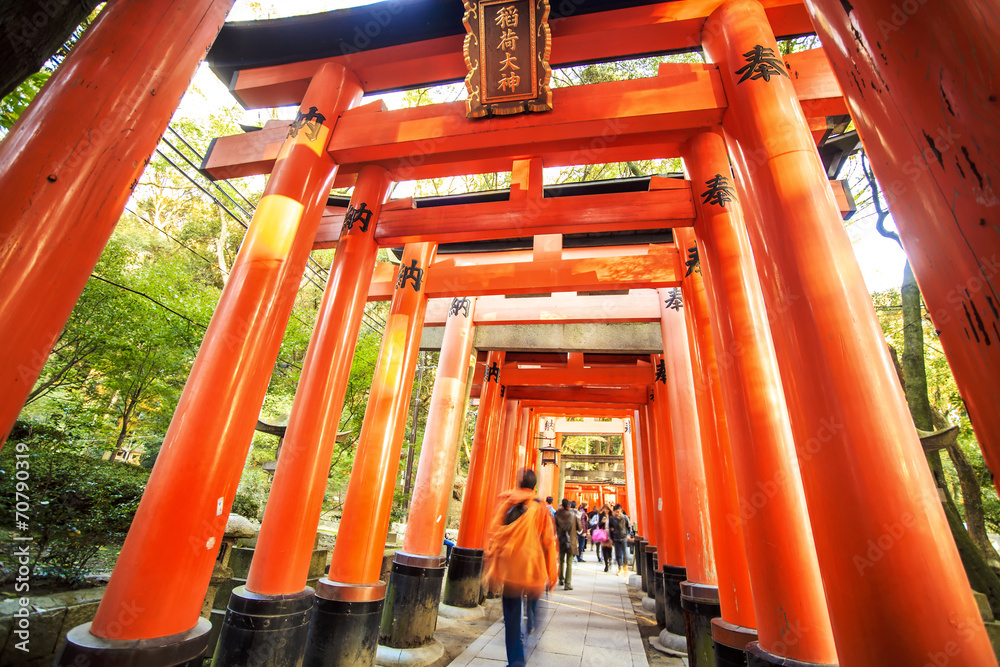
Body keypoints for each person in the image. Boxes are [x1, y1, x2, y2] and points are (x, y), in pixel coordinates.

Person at [483, 469, 558, 667]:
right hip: (532, 568)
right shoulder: (540, 507)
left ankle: (516, 660)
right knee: (534, 600)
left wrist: (491, 568)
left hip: (509, 571)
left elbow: (495, 535)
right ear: (534, 486)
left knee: (511, 618)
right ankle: (531, 622)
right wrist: (552, 574)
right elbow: (548, 541)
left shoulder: (506, 503)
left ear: (518, 483)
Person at [554, 498, 581, 590]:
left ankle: (561, 578)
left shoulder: (557, 514)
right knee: (569, 562)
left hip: (561, 540)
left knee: (561, 560)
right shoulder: (574, 515)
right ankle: (568, 583)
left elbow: (554, 527)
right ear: (569, 506)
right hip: (571, 541)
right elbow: (580, 528)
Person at [609, 503, 632, 576]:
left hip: (624, 537)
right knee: (618, 554)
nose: (617, 513)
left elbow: (629, 528)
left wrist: (628, 535)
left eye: (618, 511)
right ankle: (620, 567)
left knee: (625, 553)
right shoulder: (612, 519)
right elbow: (610, 529)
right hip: (616, 538)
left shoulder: (625, 518)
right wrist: (611, 538)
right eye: (616, 512)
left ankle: (625, 567)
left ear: (621, 511)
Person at [597, 506, 613, 571]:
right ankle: (606, 564)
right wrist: (602, 522)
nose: (606, 510)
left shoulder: (611, 517)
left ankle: (610, 559)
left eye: (607, 509)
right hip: (603, 533)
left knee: (609, 548)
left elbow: (613, 525)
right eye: (605, 509)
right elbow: (599, 525)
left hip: (610, 533)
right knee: (604, 548)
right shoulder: (601, 516)